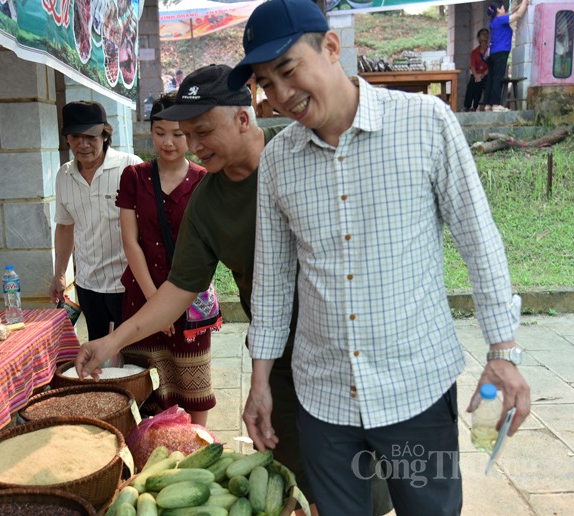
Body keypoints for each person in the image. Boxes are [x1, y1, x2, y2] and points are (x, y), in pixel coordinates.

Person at [227, 0, 531, 513]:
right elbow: (274, 280)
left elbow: (479, 239)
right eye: (264, 83)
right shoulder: (278, 160)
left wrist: (503, 353)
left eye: (286, 70)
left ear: (330, 47)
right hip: (322, 399)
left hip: (414, 388)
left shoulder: (425, 123)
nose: (280, 96)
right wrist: (260, 382)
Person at [74, 64, 393, 516]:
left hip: (352, 350)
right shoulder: (208, 199)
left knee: (364, 484)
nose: (194, 146)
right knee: (293, 481)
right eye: (187, 133)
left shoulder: (306, 158)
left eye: (202, 131)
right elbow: (178, 290)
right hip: (278, 358)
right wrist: (111, 341)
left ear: (244, 118)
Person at [116, 93, 215, 425]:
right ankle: (148, 445)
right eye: (160, 132)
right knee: (145, 385)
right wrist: (156, 303)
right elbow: (131, 241)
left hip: (191, 298)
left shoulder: (205, 179)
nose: (168, 142)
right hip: (142, 295)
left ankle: (199, 447)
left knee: (194, 384)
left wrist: (172, 305)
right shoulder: (134, 176)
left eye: (178, 133)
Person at [49, 101, 142, 340]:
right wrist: (60, 274)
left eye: (91, 136)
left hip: (128, 284)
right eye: (75, 136)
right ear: (67, 139)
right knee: (98, 355)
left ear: (104, 134)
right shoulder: (64, 175)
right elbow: (65, 226)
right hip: (88, 285)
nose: (83, 144)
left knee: (133, 357)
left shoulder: (130, 166)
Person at [482, 0, 529, 112]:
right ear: (498, 9)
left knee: (491, 78)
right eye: (504, 8)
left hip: (493, 53)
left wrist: (519, 5)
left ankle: (488, 104)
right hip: (501, 52)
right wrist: (525, 2)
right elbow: (517, 15)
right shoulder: (501, 20)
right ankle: (496, 104)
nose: (505, 10)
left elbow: (511, 13)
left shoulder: (494, 21)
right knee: (498, 78)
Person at [464, 28, 489, 112]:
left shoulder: (490, 50)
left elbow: (491, 66)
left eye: (487, 33)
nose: (485, 35)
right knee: (472, 82)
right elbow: (473, 66)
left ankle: (476, 106)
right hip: (477, 74)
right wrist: (476, 75)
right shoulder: (474, 52)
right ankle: (467, 106)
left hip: (487, 74)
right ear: (478, 38)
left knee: (483, 82)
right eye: (483, 33)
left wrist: (483, 75)